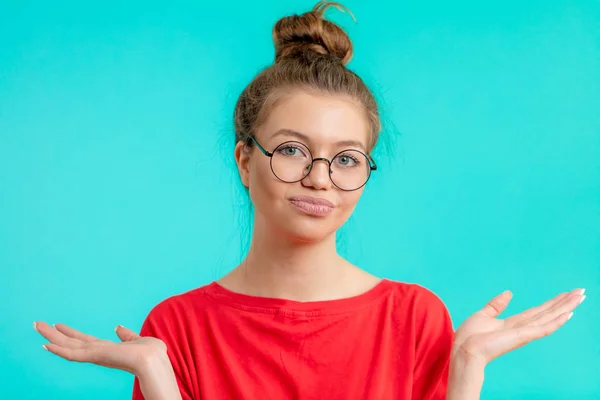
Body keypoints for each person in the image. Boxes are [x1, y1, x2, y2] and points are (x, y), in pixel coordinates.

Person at [34, 2, 586, 399]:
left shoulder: (415, 319)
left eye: (346, 158)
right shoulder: (177, 328)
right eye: (294, 150)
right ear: (245, 161)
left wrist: (465, 370)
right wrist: (158, 377)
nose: (320, 179)